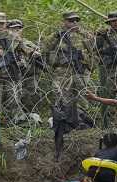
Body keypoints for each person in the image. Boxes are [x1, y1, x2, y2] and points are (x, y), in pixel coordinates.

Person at [43, 11, 94, 161]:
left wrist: (89, 67)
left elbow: (94, 51)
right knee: (62, 96)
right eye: (71, 21)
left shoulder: (85, 35)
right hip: (62, 70)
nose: (74, 23)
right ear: (64, 21)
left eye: (76, 20)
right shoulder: (57, 36)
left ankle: (82, 122)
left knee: (83, 97)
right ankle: (63, 123)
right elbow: (45, 48)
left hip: (80, 70)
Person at [6, 19, 44, 116]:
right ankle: (15, 117)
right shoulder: (4, 43)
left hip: (28, 74)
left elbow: (38, 53)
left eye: (18, 29)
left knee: (31, 93)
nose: (16, 31)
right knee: (13, 96)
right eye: (13, 29)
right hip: (12, 75)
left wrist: (36, 53)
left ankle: (32, 115)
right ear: (8, 30)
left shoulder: (27, 43)